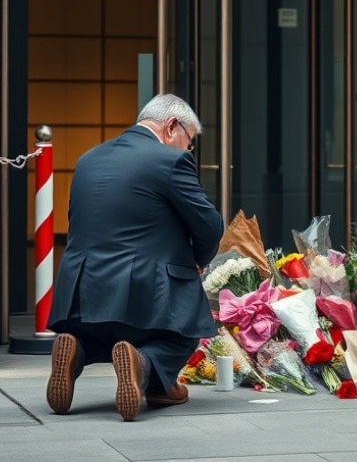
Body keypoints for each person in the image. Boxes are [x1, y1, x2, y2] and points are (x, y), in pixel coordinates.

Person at [45, 93, 224, 421]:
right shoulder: (170, 161)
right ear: (172, 127)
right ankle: (142, 366)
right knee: (184, 331)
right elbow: (209, 225)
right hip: (145, 288)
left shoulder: (88, 159)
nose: (188, 149)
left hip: (83, 289)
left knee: (96, 334)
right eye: (189, 140)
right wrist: (199, 259)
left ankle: (75, 348)